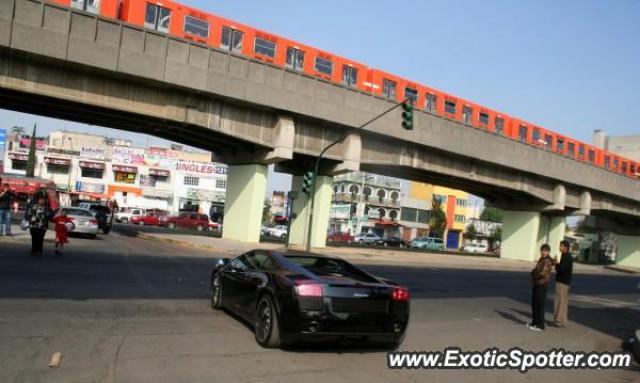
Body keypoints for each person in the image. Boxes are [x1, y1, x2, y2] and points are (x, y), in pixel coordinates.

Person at [528, 244, 554, 332]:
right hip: (537, 283)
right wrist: (534, 272)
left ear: (548, 252)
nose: (543, 252)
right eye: (542, 250)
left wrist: (534, 273)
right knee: (534, 304)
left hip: (542, 284)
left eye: (545, 251)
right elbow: (536, 269)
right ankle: (534, 322)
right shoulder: (541, 259)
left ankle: (540, 325)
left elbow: (542, 273)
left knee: (540, 305)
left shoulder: (547, 261)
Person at [553, 240, 573, 327]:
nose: (559, 247)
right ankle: (563, 321)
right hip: (566, 282)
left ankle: (558, 320)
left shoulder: (566, 257)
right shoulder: (567, 256)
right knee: (564, 301)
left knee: (559, 301)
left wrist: (556, 263)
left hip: (561, 282)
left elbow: (561, 270)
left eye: (561, 246)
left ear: (566, 247)